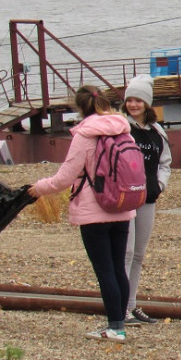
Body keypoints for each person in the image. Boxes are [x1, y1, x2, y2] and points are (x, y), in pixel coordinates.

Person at [28, 85, 138, 341]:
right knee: (118, 268)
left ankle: (115, 327)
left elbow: (63, 179)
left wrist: (38, 189)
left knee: (105, 271)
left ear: (81, 108)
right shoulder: (124, 129)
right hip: (122, 206)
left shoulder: (84, 135)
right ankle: (120, 321)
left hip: (94, 211)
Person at [121, 74, 171, 325]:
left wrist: (159, 185)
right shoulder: (120, 127)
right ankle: (120, 308)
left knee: (138, 254)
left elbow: (165, 163)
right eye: (129, 100)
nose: (133, 105)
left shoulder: (156, 131)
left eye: (138, 100)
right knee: (126, 253)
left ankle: (131, 305)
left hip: (147, 199)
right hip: (124, 199)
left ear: (147, 103)